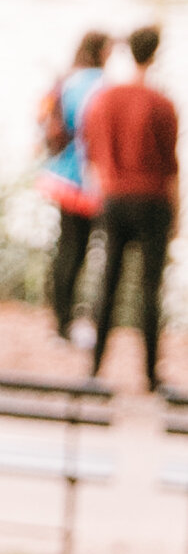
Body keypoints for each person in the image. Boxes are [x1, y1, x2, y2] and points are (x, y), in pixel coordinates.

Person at [83, 25, 178, 391]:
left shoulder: (104, 99)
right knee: (150, 289)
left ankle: (95, 369)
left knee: (107, 281)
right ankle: (150, 375)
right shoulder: (161, 103)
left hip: (115, 198)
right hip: (152, 201)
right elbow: (171, 167)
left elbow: (91, 153)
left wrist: (102, 193)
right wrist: (176, 214)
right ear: (154, 56)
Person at [38, 29, 112, 344]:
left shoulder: (68, 81)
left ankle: (59, 319)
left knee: (65, 248)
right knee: (80, 252)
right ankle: (70, 321)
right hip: (87, 181)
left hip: (60, 176)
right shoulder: (101, 85)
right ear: (101, 51)